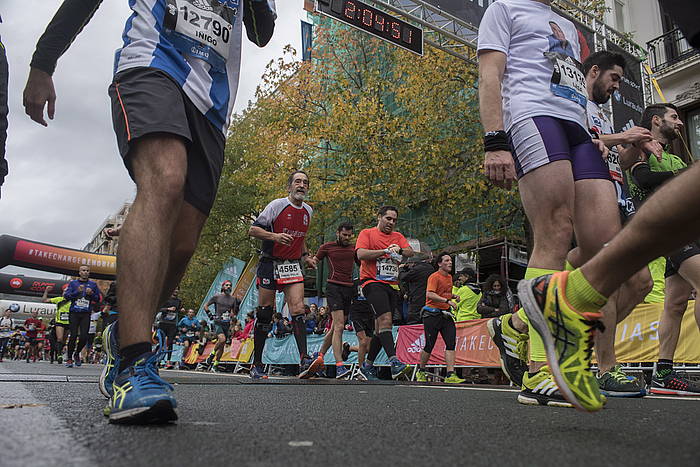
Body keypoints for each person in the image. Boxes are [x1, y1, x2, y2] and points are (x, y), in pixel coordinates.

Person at [24, 0, 277, 424]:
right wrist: (43, 62)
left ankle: (124, 332)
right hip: (151, 65)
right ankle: (135, 361)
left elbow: (261, 31)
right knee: (165, 179)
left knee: (182, 243)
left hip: (211, 102)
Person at [478, 0, 619, 407]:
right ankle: (542, 370)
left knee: (603, 246)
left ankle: (516, 323)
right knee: (555, 232)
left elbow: (574, 82)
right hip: (531, 114)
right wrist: (495, 141)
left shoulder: (572, 27)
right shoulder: (504, 8)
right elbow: (490, 73)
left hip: (577, 126)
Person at [580, 50, 661, 397]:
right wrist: (622, 138)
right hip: (590, 200)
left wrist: (638, 150)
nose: (616, 86)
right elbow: (582, 144)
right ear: (594, 71)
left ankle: (585, 344)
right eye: (613, 78)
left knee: (641, 283)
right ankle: (605, 367)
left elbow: (618, 160)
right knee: (609, 283)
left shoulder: (603, 113)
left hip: (618, 201)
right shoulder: (575, 102)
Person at [625, 103, 700, 396]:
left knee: (676, 303)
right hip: (666, 231)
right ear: (656, 120)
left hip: (686, 231)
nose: (680, 123)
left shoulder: (673, 159)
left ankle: (663, 374)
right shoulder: (639, 147)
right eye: (674, 117)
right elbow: (642, 179)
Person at [248, 170, 317, 379]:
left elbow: (300, 237)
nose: (301, 185)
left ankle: (304, 359)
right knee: (265, 313)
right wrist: (275, 236)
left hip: (292, 265)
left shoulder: (308, 211)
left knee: (298, 309)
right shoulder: (276, 205)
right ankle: (257, 364)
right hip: (270, 262)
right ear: (289, 186)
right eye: (298, 181)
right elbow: (253, 230)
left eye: (305, 183)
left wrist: (305, 256)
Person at [356, 205, 415, 380]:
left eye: (394, 220)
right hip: (372, 282)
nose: (391, 222)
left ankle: (367, 366)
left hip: (392, 285)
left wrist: (400, 250)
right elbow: (360, 254)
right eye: (388, 218)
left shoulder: (398, 237)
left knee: (379, 329)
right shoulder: (367, 233)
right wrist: (384, 251)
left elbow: (410, 252)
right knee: (386, 320)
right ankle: (394, 361)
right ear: (379, 217)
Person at [310, 222, 356, 378]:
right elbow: (315, 261)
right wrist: (309, 261)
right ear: (338, 233)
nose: (347, 238)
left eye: (350, 235)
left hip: (349, 288)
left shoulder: (354, 249)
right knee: (339, 326)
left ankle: (320, 354)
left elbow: (363, 264)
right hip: (333, 287)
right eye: (344, 235)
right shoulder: (327, 247)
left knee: (335, 328)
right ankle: (339, 366)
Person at [415, 253, 465, 384]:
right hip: (432, 314)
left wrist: (453, 296)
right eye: (447, 261)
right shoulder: (434, 277)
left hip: (446, 314)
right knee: (429, 345)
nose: (450, 263)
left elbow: (443, 292)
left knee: (451, 343)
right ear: (439, 263)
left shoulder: (449, 277)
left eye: (450, 261)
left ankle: (450, 374)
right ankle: (421, 370)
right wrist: (447, 300)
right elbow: (430, 294)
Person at [63, 266, 102, 367]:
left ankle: (77, 353)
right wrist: (77, 292)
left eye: (87, 271)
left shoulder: (93, 284)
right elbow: (66, 296)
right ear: (79, 272)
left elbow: (98, 299)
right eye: (83, 270)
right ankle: (69, 358)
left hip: (86, 313)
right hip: (74, 312)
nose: (85, 272)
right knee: (73, 335)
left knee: (84, 336)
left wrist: (92, 294)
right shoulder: (73, 283)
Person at [204, 281, 240, 371]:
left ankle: (215, 365)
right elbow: (206, 306)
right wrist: (210, 315)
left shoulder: (233, 299)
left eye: (230, 285)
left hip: (226, 323)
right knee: (222, 339)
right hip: (218, 322)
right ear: (223, 287)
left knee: (222, 345)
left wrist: (237, 306)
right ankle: (212, 354)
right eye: (227, 285)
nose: (229, 287)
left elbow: (234, 312)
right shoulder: (217, 297)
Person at [348, 280, 374, 379]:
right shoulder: (354, 283)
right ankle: (361, 370)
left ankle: (349, 348)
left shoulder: (373, 282)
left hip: (370, 315)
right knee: (363, 342)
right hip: (357, 315)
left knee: (368, 348)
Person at [399, 255, 435, 325]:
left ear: (413, 263)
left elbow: (403, 277)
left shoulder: (416, 270)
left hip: (417, 298)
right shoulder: (430, 268)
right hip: (429, 297)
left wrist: (401, 269)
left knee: (414, 320)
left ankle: (414, 335)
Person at [42, 285, 70, 363]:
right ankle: (59, 354)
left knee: (64, 341)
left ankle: (59, 352)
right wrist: (46, 291)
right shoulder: (58, 299)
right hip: (59, 322)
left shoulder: (73, 301)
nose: (65, 292)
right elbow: (44, 300)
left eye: (67, 291)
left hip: (68, 323)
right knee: (59, 339)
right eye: (64, 291)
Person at [158, 288, 182, 369]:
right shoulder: (165, 299)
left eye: (177, 290)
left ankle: (168, 361)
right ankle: (157, 360)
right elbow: (158, 308)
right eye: (174, 289)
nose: (176, 291)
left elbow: (178, 309)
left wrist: (180, 310)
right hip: (163, 323)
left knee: (170, 342)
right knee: (160, 341)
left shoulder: (179, 301)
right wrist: (168, 309)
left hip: (172, 324)